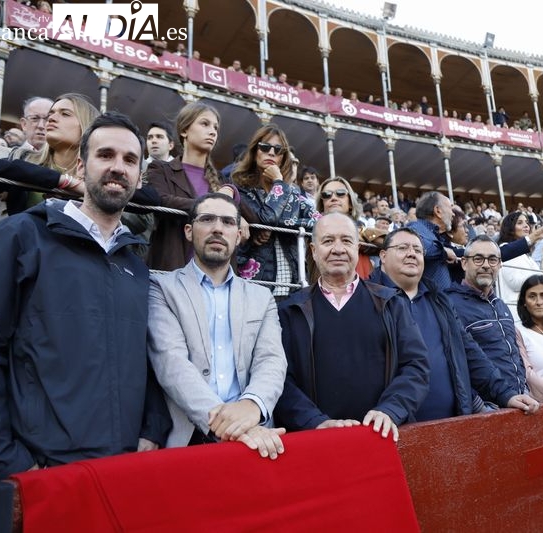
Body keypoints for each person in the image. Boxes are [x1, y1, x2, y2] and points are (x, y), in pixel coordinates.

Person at [0, 112, 170, 480]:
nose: (118, 167)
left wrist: (152, 428)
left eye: (130, 160)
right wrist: (8, 461)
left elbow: (146, 361)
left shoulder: (136, 266)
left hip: (123, 468)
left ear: (138, 177)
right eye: (106, 155)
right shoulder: (21, 236)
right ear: (82, 166)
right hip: (46, 471)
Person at [148, 193, 287, 459]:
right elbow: (171, 363)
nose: (217, 228)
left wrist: (252, 405)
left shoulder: (262, 297)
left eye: (227, 222)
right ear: (189, 231)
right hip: (191, 437)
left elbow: (271, 360)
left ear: (238, 235)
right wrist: (230, 425)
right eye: (207, 219)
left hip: (255, 432)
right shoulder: (161, 288)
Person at [274, 213, 430, 441]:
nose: (338, 249)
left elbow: (416, 366)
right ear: (314, 250)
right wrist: (314, 421)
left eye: (346, 241)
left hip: (382, 438)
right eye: (328, 241)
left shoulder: (391, 303)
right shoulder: (290, 311)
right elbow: (279, 380)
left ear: (357, 248)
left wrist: (390, 409)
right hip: (316, 444)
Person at [370, 228, 539, 419]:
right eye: (402, 248)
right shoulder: (367, 301)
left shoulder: (439, 302)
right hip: (390, 426)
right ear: (383, 256)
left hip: (451, 424)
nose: (411, 254)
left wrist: (505, 394)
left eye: (418, 250)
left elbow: (470, 353)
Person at [147, 101, 240, 271]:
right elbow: (162, 201)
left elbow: (251, 217)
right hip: (172, 270)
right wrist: (214, 204)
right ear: (184, 130)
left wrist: (232, 191)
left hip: (215, 277)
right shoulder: (161, 169)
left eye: (215, 128)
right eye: (205, 124)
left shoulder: (222, 180)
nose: (212, 131)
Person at [233, 124, 314, 298]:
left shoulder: (293, 193)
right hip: (254, 285)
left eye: (278, 150)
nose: (271, 153)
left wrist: (289, 225)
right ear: (255, 151)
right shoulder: (241, 189)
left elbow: (319, 221)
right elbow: (266, 219)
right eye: (265, 147)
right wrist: (279, 182)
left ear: (283, 158)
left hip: (292, 285)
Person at [446, 236, 530, 396]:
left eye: (492, 260)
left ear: (499, 264)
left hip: (519, 398)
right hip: (485, 408)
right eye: (478, 259)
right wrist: (479, 405)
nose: (486, 265)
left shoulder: (501, 305)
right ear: (464, 263)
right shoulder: (450, 304)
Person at [497, 211, 543, 320]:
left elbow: (540, 282)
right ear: (510, 228)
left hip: (531, 310)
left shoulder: (526, 254)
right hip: (516, 313)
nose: (526, 225)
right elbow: (515, 282)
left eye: (526, 222)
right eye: (520, 223)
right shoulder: (506, 249)